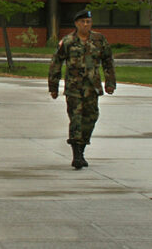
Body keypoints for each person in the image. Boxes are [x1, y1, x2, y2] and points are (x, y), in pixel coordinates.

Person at [48, 9, 116, 169]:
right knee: (76, 119)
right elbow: (56, 63)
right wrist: (53, 86)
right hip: (74, 88)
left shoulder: (99, 40)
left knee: (91, 117)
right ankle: (77, 155)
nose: (86, 25)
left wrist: (110, 82)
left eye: (88, 22)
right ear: (76, 24)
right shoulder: (68, 41)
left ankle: (82, 147)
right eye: (83, 22)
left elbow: (108, 61)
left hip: (92, 88)